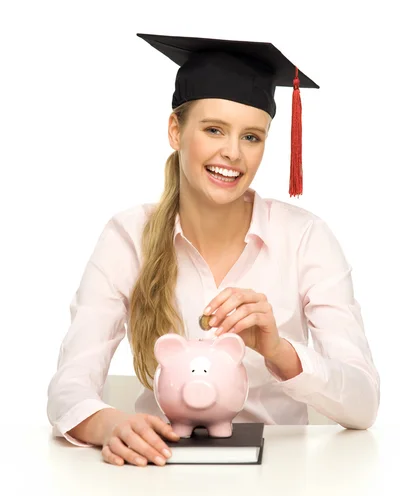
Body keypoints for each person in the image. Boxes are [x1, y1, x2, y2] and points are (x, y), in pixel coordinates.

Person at [47, 33, 380, 467]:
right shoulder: (128, 236)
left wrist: (279, 350)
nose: (232, 153)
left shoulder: (306, 239)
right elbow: (68, 386)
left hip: (280, 482)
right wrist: (110, 424)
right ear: (175, 131)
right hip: (156, 471)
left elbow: (363, 403)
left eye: (252, 137)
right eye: (213, 129)